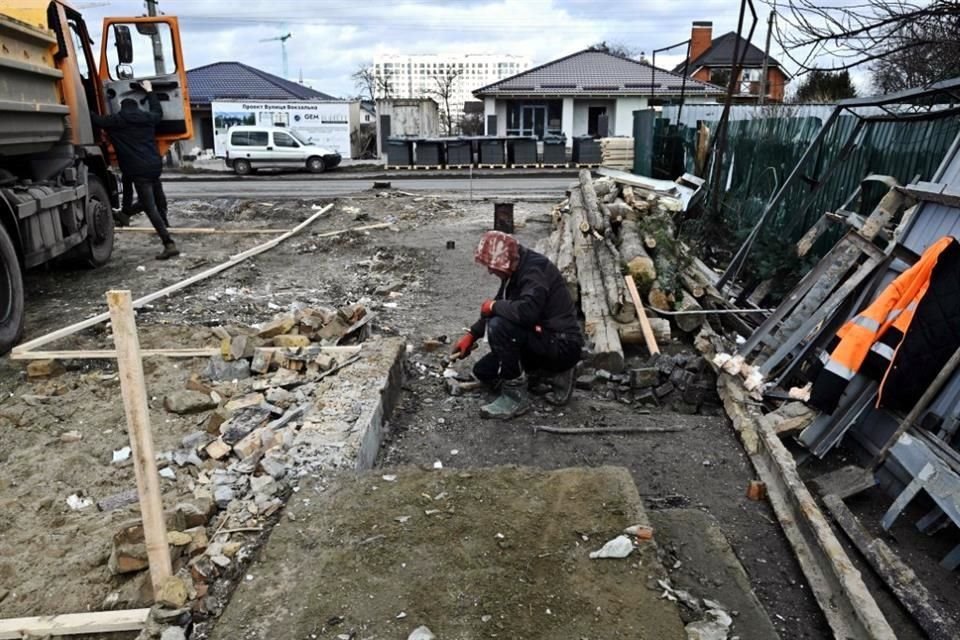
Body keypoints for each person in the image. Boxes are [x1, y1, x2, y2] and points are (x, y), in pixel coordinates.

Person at [452, 230, 583, 419]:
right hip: (542, 338)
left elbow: (526, 312)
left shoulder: (533, 272)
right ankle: (544, 374)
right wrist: (473, 334)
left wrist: (494, 306)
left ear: (505, 262)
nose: (490, 271)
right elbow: (499, 307)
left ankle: (516, 397)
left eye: (492, 266)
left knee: (500, 326)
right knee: (483, 371)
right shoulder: (515, 268)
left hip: (562, 344)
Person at [92, 80, 178, 259]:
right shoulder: (147, 119)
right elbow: (157, 111)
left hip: (136, 170)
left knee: (149, 205)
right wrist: (149, 91)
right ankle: (130, 214)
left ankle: (168, 243)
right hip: (154, 166)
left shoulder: (115, 121)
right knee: (155, 196)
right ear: (136, 107)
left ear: (121, 108)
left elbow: (95, 119)